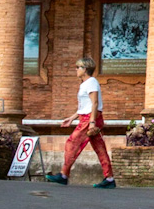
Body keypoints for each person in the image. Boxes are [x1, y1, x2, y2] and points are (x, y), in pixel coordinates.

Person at [47, 57, 116, 188]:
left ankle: (63, 175)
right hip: (87, 117)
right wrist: (72, 118)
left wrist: (92, 122)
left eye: (78, 67)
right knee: (100, 148)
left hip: (90, 119)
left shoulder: (91, 82)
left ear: (85, 69)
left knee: (72, 143)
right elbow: (85, 106)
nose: (76, 70)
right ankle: (109, 178)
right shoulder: (85, 84)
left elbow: (94, 103)